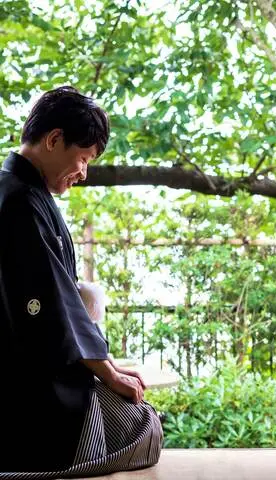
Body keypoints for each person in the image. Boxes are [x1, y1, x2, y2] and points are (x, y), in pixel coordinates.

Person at [0, 86, 163, 477]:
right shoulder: (20, 200)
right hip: (25, 386)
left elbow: (61, 296)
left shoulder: (20, 190)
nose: (83, 173)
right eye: (84, 158)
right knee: (143, 427)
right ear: (54, 139)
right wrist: (109, 373)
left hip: (32, 366)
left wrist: (108, 364)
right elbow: (54, 305)